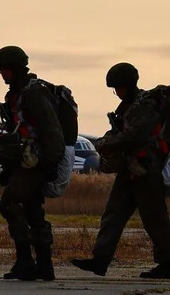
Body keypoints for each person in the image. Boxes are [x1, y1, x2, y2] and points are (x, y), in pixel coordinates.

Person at [71, 63, 170, 279]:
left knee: (154, 218)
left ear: (126, 86)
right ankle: (100, 260)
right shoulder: (128, 107)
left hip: (146, 170)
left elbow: (134, 136)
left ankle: (167, 262)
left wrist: (107, 143)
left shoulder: (145, 107)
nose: (116, 93)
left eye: (117, 88)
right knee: (113, 214)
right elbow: (122, 132)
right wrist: (108, 140)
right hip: (131, 170)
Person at [0, 45, 65, 281]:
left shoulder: (34, 93)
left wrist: (51, 162)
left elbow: (51, 129)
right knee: (32, 211)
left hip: (36, 162)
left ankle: (25, 262)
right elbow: (17, 131)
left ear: (16, 69)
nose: (2, 74)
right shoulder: (16, 94)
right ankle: (44, 265)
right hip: (24, 161)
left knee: (9, 204)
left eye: (4, 69)